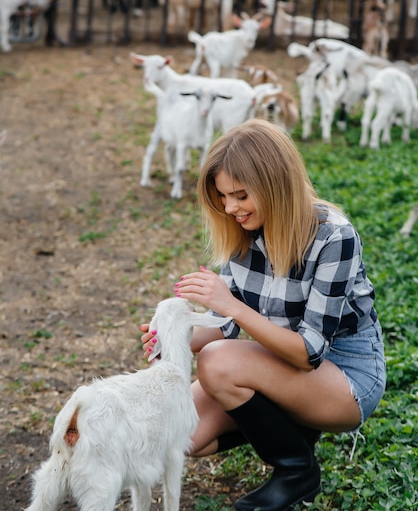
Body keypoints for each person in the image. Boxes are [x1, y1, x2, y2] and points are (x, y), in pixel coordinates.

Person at [141, 118, 386, 511]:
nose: (230, 208)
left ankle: (296, 471)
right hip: (283, 364)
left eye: (240, 195)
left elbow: (309, 352)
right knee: (184, 436)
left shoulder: (334, 237)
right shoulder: (243, 233)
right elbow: (224, 326)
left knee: (218, 361)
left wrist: (231, 305)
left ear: (275, 184)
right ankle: (295, 432)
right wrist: (173, 335)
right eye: (223, 196)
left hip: (346, 376)